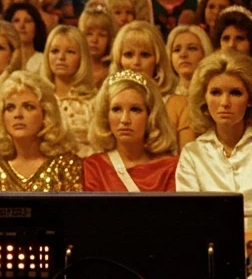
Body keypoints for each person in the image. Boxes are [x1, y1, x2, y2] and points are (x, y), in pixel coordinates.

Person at [175, 50, 252, 242]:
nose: (225, 102)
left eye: (235, 93)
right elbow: (189, 218)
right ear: (204, 98)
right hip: (213, 252)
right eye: (216, 93)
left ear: (250, 99)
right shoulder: (192, 155)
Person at [0, 71, 83, 192]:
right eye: (10, 108)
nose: (18, 114)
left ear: (46, 113)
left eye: (28, 107)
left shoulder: (66, 164)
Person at [83, 70, 178, 192]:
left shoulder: (170, 166)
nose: (125, 120)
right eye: (116, 109)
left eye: (135, 110)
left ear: (151, 116)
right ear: (105, 115)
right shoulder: (94, 166)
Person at [110, 20, 192, 149]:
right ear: (119, 61)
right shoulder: (107, 103)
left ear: (158, 61)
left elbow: (188, 161)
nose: (136, 62)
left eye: (145, 55)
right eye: (128, 54)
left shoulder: (179, 105)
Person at [41, 24, 98, 157]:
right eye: (55, 51)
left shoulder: (95, 101)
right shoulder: (38, 99)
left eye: (70, 52)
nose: (61, 57)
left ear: (82, 58)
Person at [166, 24, 212, 96]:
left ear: (205, 53)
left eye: (192, 48)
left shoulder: (214, 94)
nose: (183, 55)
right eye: (177, 50)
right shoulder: (163, 98)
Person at [79, 3, 115, 88]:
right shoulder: (73, 69)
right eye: (89, 34)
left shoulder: (113, 72)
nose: (94, 40)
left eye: (102, 35)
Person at [5, 1, 46, 73]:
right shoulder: (3, 60)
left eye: (28, 21)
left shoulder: (44, 61)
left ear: (36, 27)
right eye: (16, 21)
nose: (22, 26)